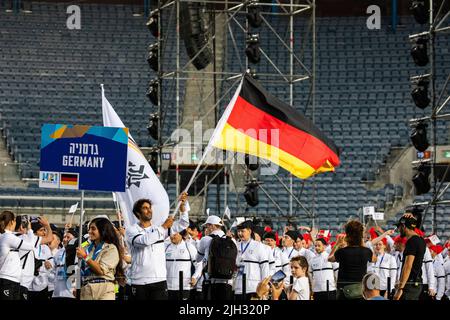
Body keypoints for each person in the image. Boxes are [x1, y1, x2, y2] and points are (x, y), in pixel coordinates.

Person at [126, 193, 189, 300]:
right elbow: (144, 241)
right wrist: (163, 227)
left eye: (150, 208)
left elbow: (183, 223)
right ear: (138, 212)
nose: (149, 210)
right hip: (139, 281)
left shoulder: (158, 229)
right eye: (145, 208)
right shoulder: (131, 230)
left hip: (159, 280)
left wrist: (182, 207)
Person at [76, 217, 124, 300]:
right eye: (89, 229)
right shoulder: (86, 248)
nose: (89, 231)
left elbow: (100, 271)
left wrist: (85, 256)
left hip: (105, 288)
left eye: (93, 229)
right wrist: (76, 287)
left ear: (102, 230)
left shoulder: (111, 248)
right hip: (86, 288)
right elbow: (79, 269)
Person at [328, 220, 376, 300]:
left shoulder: (342, 251)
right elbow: (374, 259)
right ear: (360, 236)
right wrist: (362, 241)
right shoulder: (366, 251)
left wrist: (337, 244)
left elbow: (329, 258)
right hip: (360, 291)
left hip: (344, 291)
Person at [196, 215, 235, 300]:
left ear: (212, 226)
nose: (206, 228)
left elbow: (198, 259)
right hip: (227, 281)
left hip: (209, 280)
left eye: (207, 225)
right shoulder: (231, 240)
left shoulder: (205, 239)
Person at [14, 215, 53, 301]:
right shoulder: (27, 238)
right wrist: (47, 225)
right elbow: (49, 238)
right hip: (22, 283)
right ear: (21, 227)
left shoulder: (6, 237)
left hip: (10, 280)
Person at [0, 210, 35, 300]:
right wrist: (30, 230)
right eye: (15, 220)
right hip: (7, 279)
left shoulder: (5, 236)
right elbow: (31, 246)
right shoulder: (8, 237)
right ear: (11, 222)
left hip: (13, 279)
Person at [393, 214, 426, 300]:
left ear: (403, 226)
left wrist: (400, 288)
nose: (398, 230)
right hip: (415, 282)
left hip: (410, 284)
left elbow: (408, 266)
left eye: (399, 227)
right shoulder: (420, 240)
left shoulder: (412, 241)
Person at [234, 220, 270, 300]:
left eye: (242, 231)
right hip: (238, 287)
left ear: (249, 231)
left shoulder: (258, 246)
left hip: (254, 288)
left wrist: (264, 286)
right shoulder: (236, 245)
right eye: (238, 231)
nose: (240, 234)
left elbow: (264, 267)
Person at [165, 229, 202, 300]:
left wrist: (195, 277)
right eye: (171, 235)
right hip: (167, 287)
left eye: (175, 234)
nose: (172, 236)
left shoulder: (189, 246)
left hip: (184, 287)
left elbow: (199, 264)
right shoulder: (166, 247)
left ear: (181, 235)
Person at [28, 217, 54, 300]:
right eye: (41, 230)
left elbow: (51, 264)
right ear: (34, 233)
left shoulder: (45, 248)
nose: (44, 233)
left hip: (42, 286)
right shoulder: (27, 244)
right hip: (27, 285)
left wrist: (49, 265)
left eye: (44, 230)